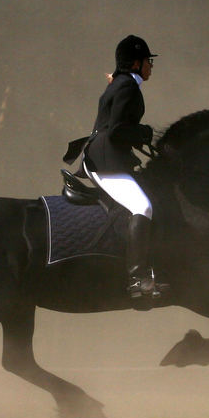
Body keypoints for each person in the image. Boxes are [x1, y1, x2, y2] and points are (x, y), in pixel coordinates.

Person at [72, 35, 159, 300]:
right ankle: (137, 278)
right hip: (106, 160)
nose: (151, 66)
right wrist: (144, 132)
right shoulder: (126, 87)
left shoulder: (123, 83)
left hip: (109, 156)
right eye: (148, 61)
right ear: (136, 63)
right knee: (143, 207)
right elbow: (118, 131)